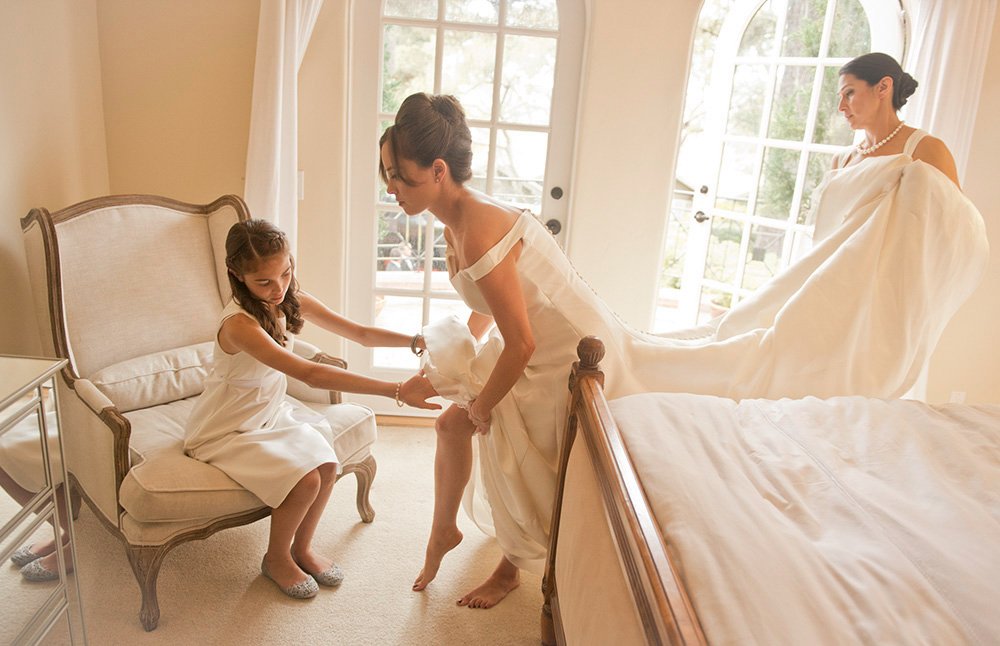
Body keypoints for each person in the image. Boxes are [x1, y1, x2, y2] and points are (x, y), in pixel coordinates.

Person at [384, 82, 987, 609]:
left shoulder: (479, 221)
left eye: (400, 175)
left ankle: (510, 563)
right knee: (457, 423)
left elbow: (521, 342)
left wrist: (480, 402)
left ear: (439, 170)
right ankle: (452, 534)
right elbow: (490, 307)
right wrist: (456, 373)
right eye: (386, 174)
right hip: (539, 341)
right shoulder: (456, 217)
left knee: (532, 448)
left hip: (568, 351)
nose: (392, 188)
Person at [184, 219, 439, 599]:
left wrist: (416, 340)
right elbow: (309, 374)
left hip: (268, 412)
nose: (279, 288)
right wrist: (397, 390)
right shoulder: (239, 324)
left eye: (285, 272)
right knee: (304, 480)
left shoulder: (289, 298)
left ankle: (301, 549)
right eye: (264, 282)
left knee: (327, 463)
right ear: (236, 276)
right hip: (228, 427)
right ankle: (275, 558)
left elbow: (361, 334)